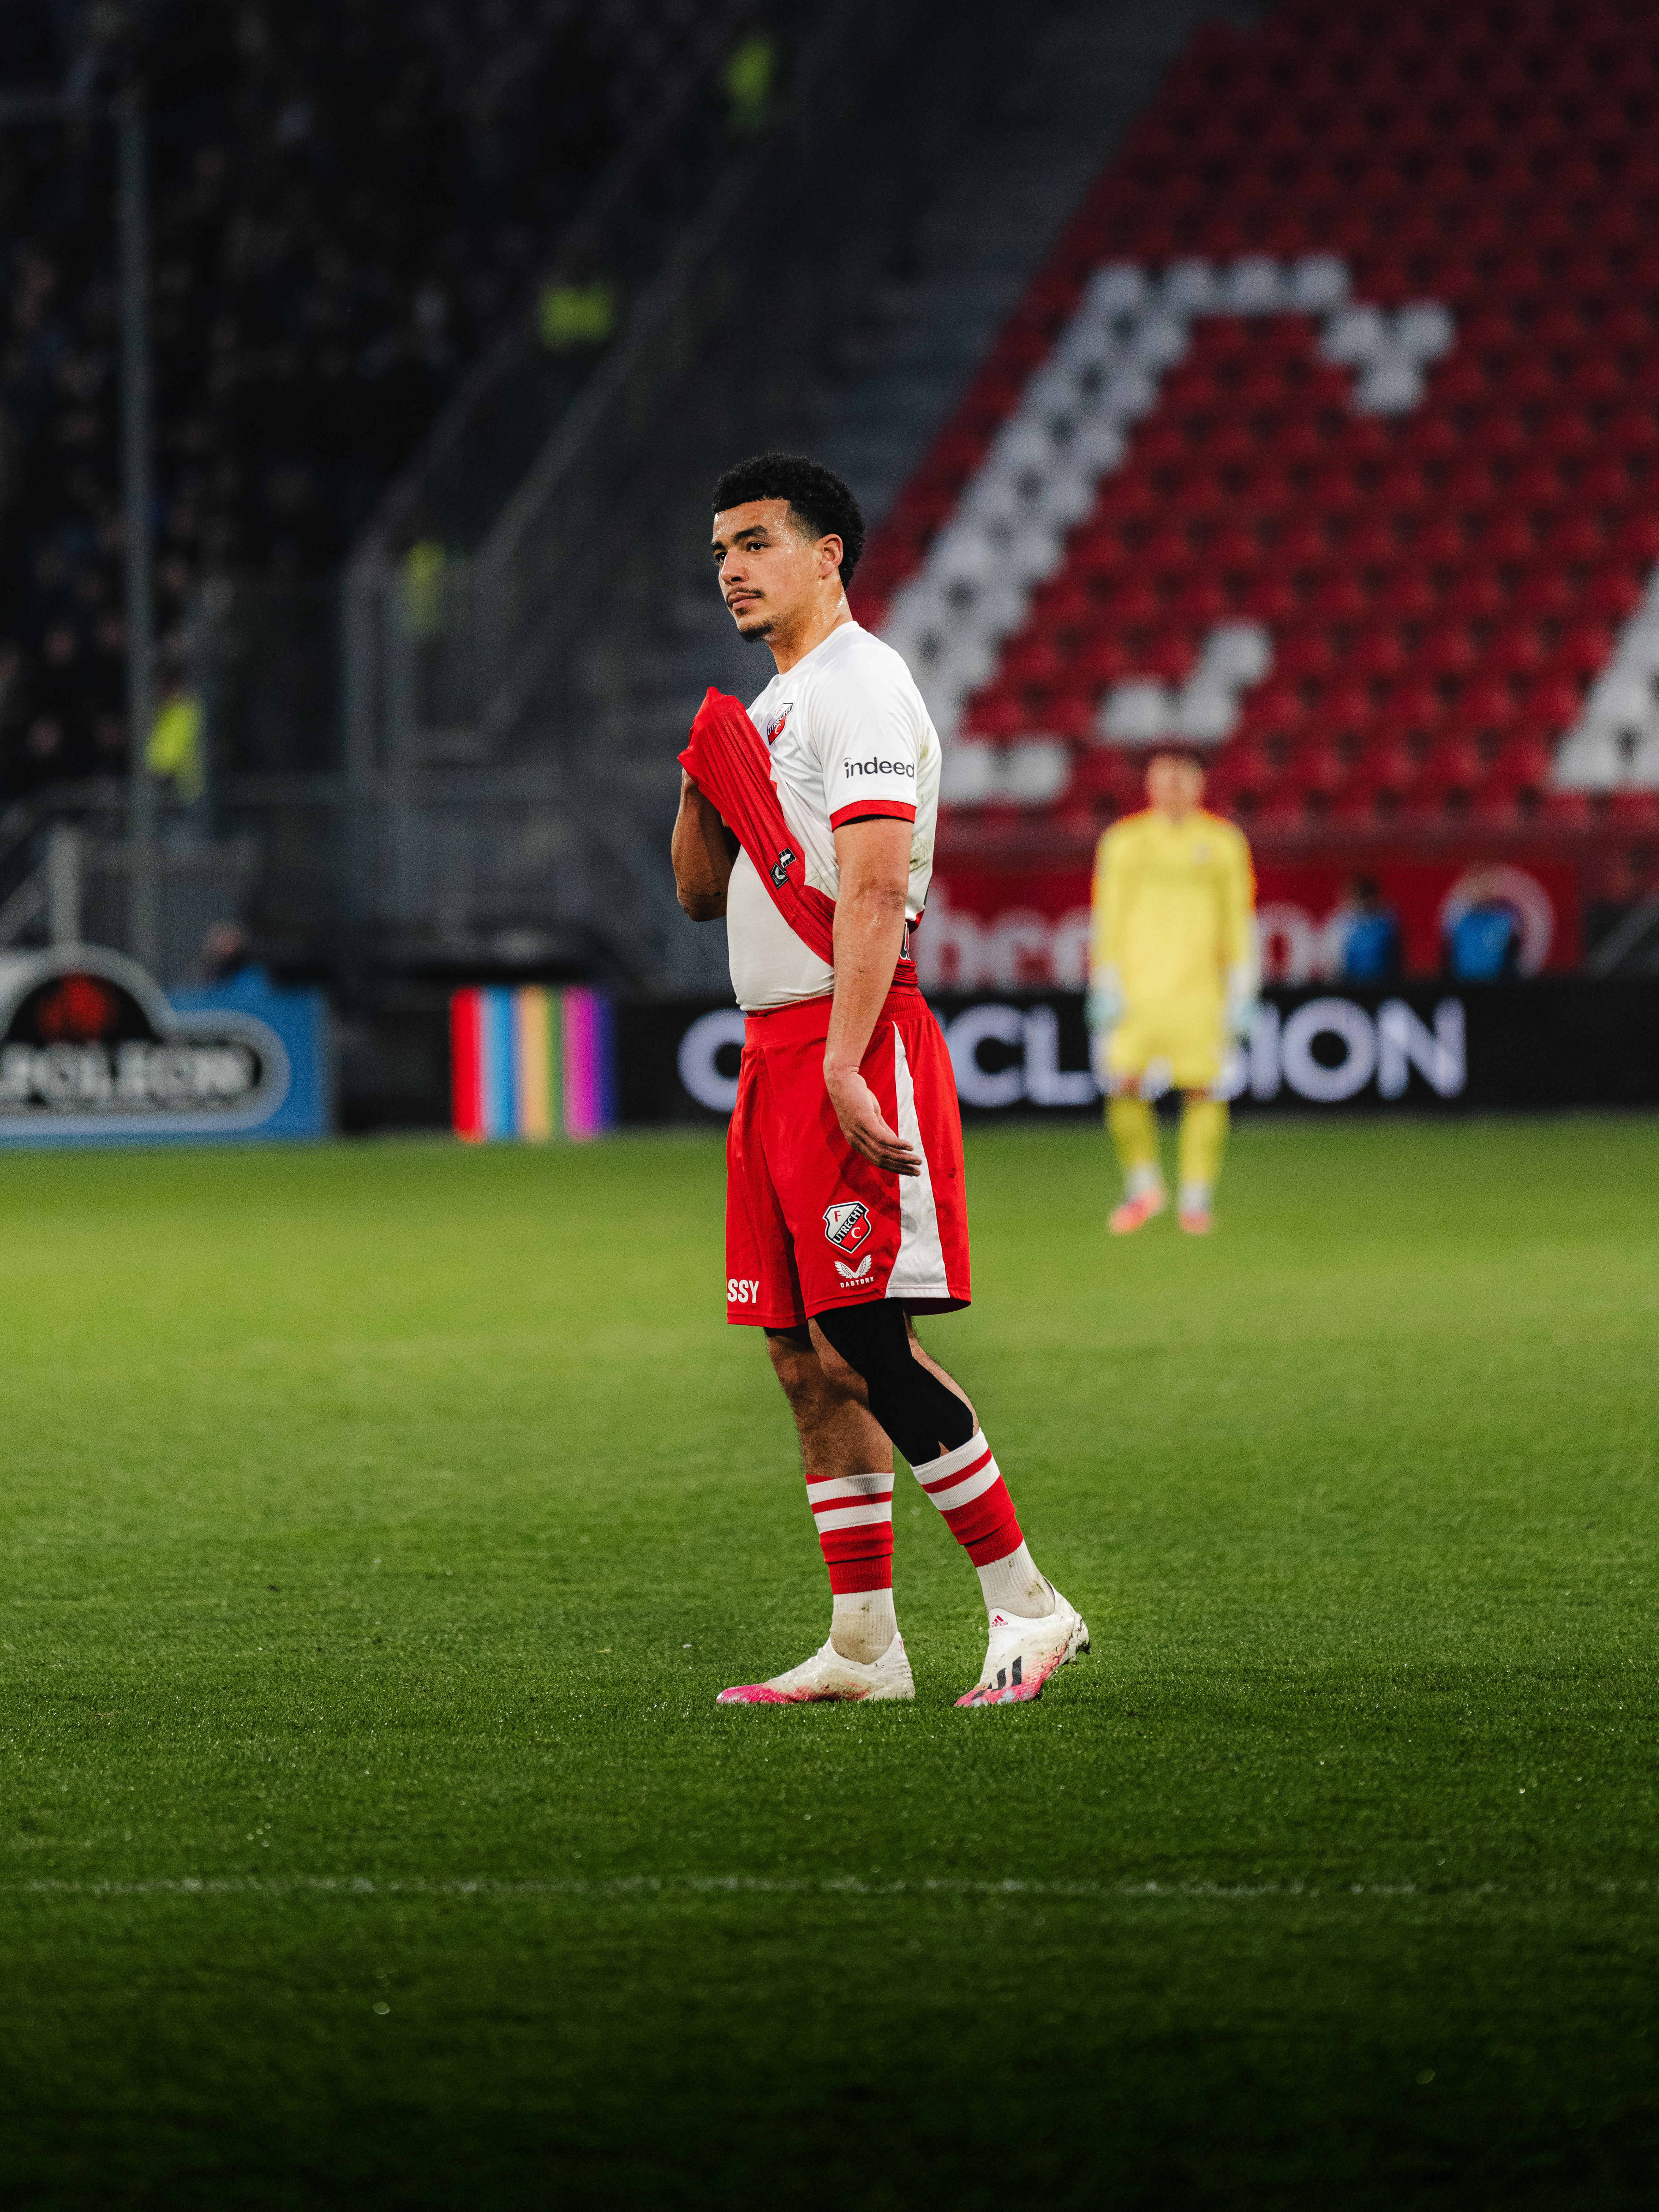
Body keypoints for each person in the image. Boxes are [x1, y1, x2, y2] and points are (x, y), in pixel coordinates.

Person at [671, 451, 1086, 1708]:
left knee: (867, 1334)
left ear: (827, 553)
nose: (734, 567)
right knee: (801, 1353)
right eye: (721, 550)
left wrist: (847, 1062)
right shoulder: (774, 709)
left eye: (756, 541)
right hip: (768, 1048)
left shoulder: (862, 685)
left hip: (847, 1038)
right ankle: (864, 1646)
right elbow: (698, 893)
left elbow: (869, 886)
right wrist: (703, 771)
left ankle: (1029, 1604)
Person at [1088, 747, 1258, 1236]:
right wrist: (1104, 981)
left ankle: (1196, 1199)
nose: (1175, 787)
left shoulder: (1224, 843)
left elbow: (1237, 918)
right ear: (1150, 783)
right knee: (1122, 1084)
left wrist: (1243, 987)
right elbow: (1109, 916)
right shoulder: (1123, 841)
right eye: (1165, 777)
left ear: (1201, 783)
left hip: (1200, 991)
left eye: (1184, 777)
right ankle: (1144, 1187)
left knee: (1205, 1089)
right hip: (1136, 992)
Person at [1333, 874, 1401, 981]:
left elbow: (1396, 958)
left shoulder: (1388, 922)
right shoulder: (1341, 923)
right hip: (1350, 983)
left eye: (1365, 897)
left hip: (1384, 982)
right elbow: (1336, 964)